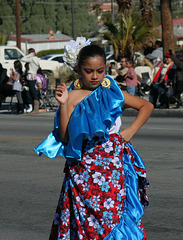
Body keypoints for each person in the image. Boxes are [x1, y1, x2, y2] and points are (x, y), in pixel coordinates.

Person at [35, 38, 154, 240]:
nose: (95, 76)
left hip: (113, 168)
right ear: (79, 69)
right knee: (86, 222)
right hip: (84, 170)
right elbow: (64, 137)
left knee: (113, 217)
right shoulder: (71, 97)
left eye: (100, 70)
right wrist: (63, 104)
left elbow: (146, 106)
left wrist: (130, 131)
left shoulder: (112, 92)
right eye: (89, 71)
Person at [21, 48, 40, 114]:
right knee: (32, 91)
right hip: (34, 75)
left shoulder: (32, 59)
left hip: (30, 75)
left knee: (32, 92)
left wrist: (29, 55)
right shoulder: (37, 59)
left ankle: (36, 108)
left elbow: (22, 59)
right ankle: (34, 107)